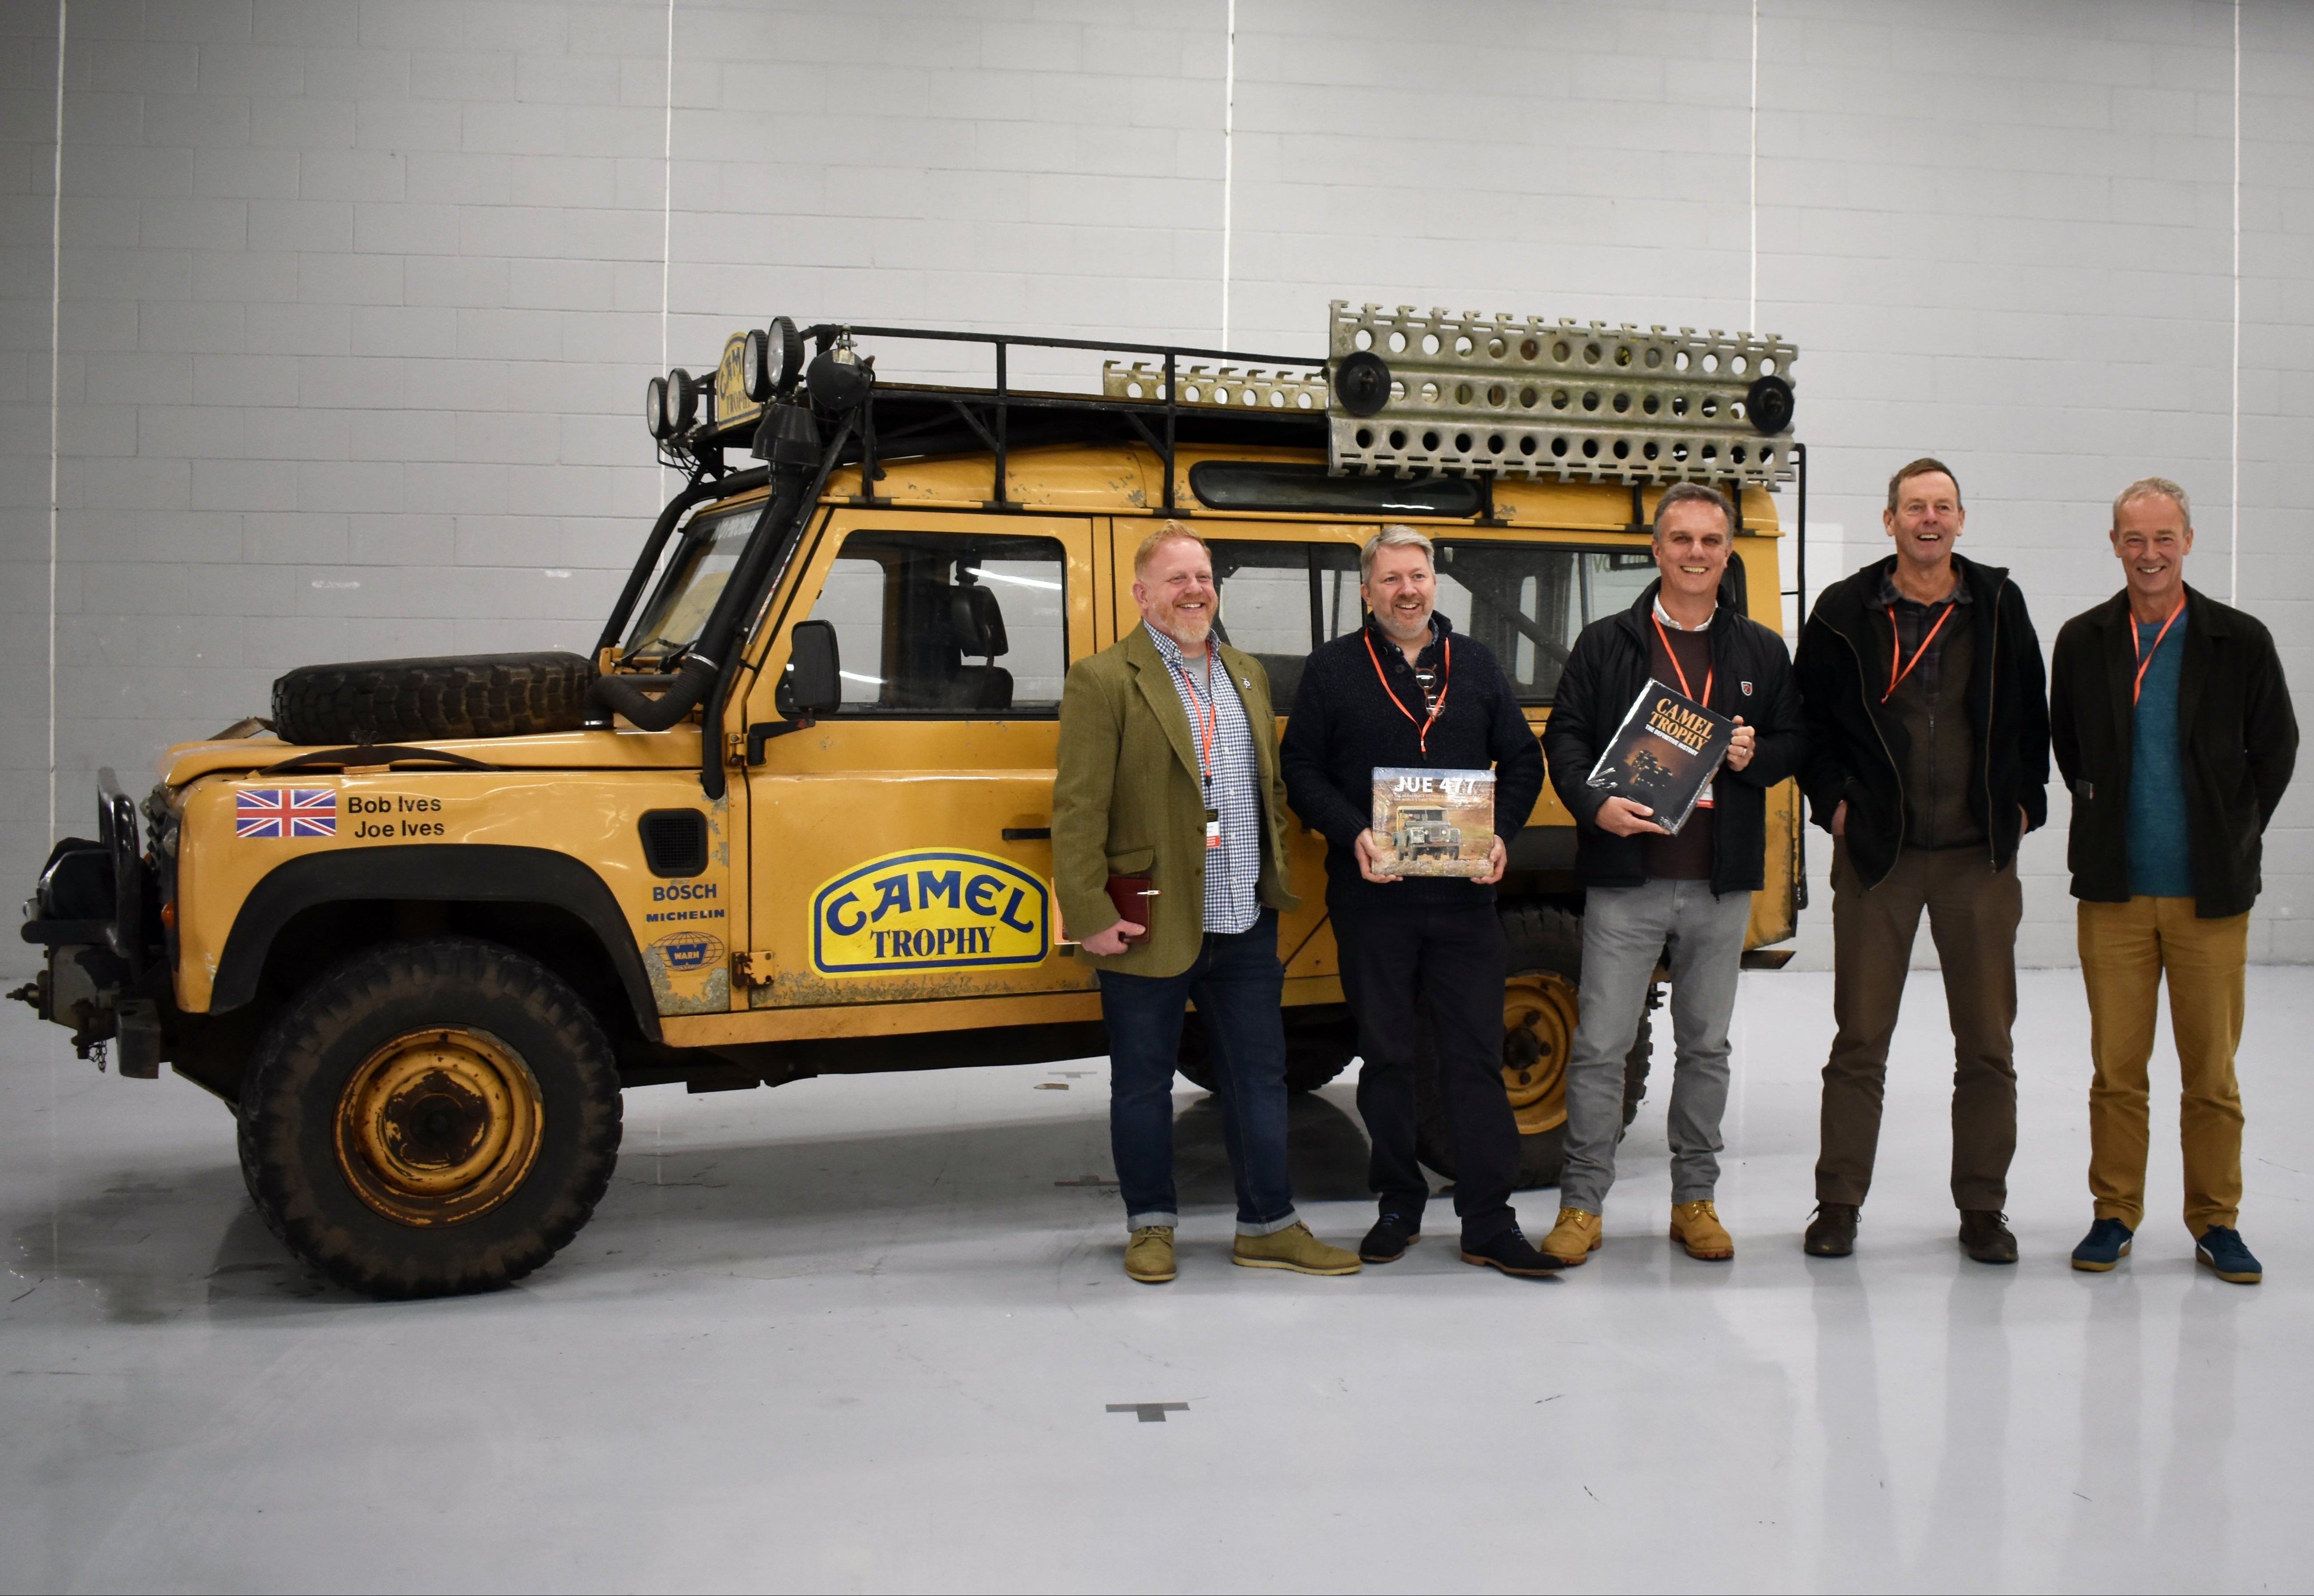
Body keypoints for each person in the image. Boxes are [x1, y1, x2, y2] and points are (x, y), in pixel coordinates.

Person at [1052, 522, 1361, 1284]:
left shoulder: (1246, 674)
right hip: (1149, 919)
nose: (1195, 590)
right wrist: (1089, 913)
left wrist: (1276, 876)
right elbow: (1078, 808)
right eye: (1177, 578)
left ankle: (1268, 1224)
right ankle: (1150, 1225)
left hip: (1243, 917)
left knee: (1259, 1080)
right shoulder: (1103, 680)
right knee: (1142, 1083)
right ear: (1141, 594)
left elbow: (1269, 789)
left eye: (1204, 576)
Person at [1280, 525, 1560, 1278]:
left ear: (1434, 584)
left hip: (1467, 900)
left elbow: (1524, 761)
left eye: (1418, 576)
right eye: (1390, 579)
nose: (1407, 590)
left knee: (1473, 1058)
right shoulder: (1334, 670)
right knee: (1389, 1057)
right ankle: (1398, 1203)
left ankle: (1488, 1220)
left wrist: (1501, 834)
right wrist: (1351, 835)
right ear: (1368, 592)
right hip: (1376, 898)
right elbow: (1299, 767)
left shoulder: (1474, 664)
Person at [1537, 483, 1805, 1266]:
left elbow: (1798, 741)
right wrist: (1595, 807)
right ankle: (1581, 1207)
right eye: (1680, 539)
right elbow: (1566, 740)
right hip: (1628, 876)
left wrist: (1761, 756)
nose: (1695, 554)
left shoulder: (1759, 649)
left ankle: (1695, 1200)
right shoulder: (1606, 642)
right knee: (1599, 1047)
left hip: (1719, 881)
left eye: (1710, 542)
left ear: (1726, 554)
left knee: (1707, 1047)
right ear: (1655, 551)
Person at [1794, 457, 2050, 1263]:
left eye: (1941, 507)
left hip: (1978, 855)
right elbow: (1807, 722)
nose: (1928, 519)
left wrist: (2024, 804)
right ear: (1890, 520)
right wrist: (1831, 803)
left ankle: (1982, 1209)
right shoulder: (1843, 611)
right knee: (1859, 1039)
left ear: (1960, 520)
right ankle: (1838, 1203)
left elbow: (2029, 716)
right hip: (1879, 857)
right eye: (1913, 507)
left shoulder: (2001, 605)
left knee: (1986, 1045)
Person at [2050, 477, 2297, 1284]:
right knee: (2116, 1073)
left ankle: (2215, 1221)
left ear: (2187, 541)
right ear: (2114, 544)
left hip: (2209, 898)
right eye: (2133, 539)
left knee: (2210, 1075)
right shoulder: (2082, 641)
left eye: (2163, 538)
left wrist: (2231, 830)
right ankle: (2114, 1213)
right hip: (2114, 894)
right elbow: (2069, 747)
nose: (2148, 555)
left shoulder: (2238, 640)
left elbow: (2276, 750)